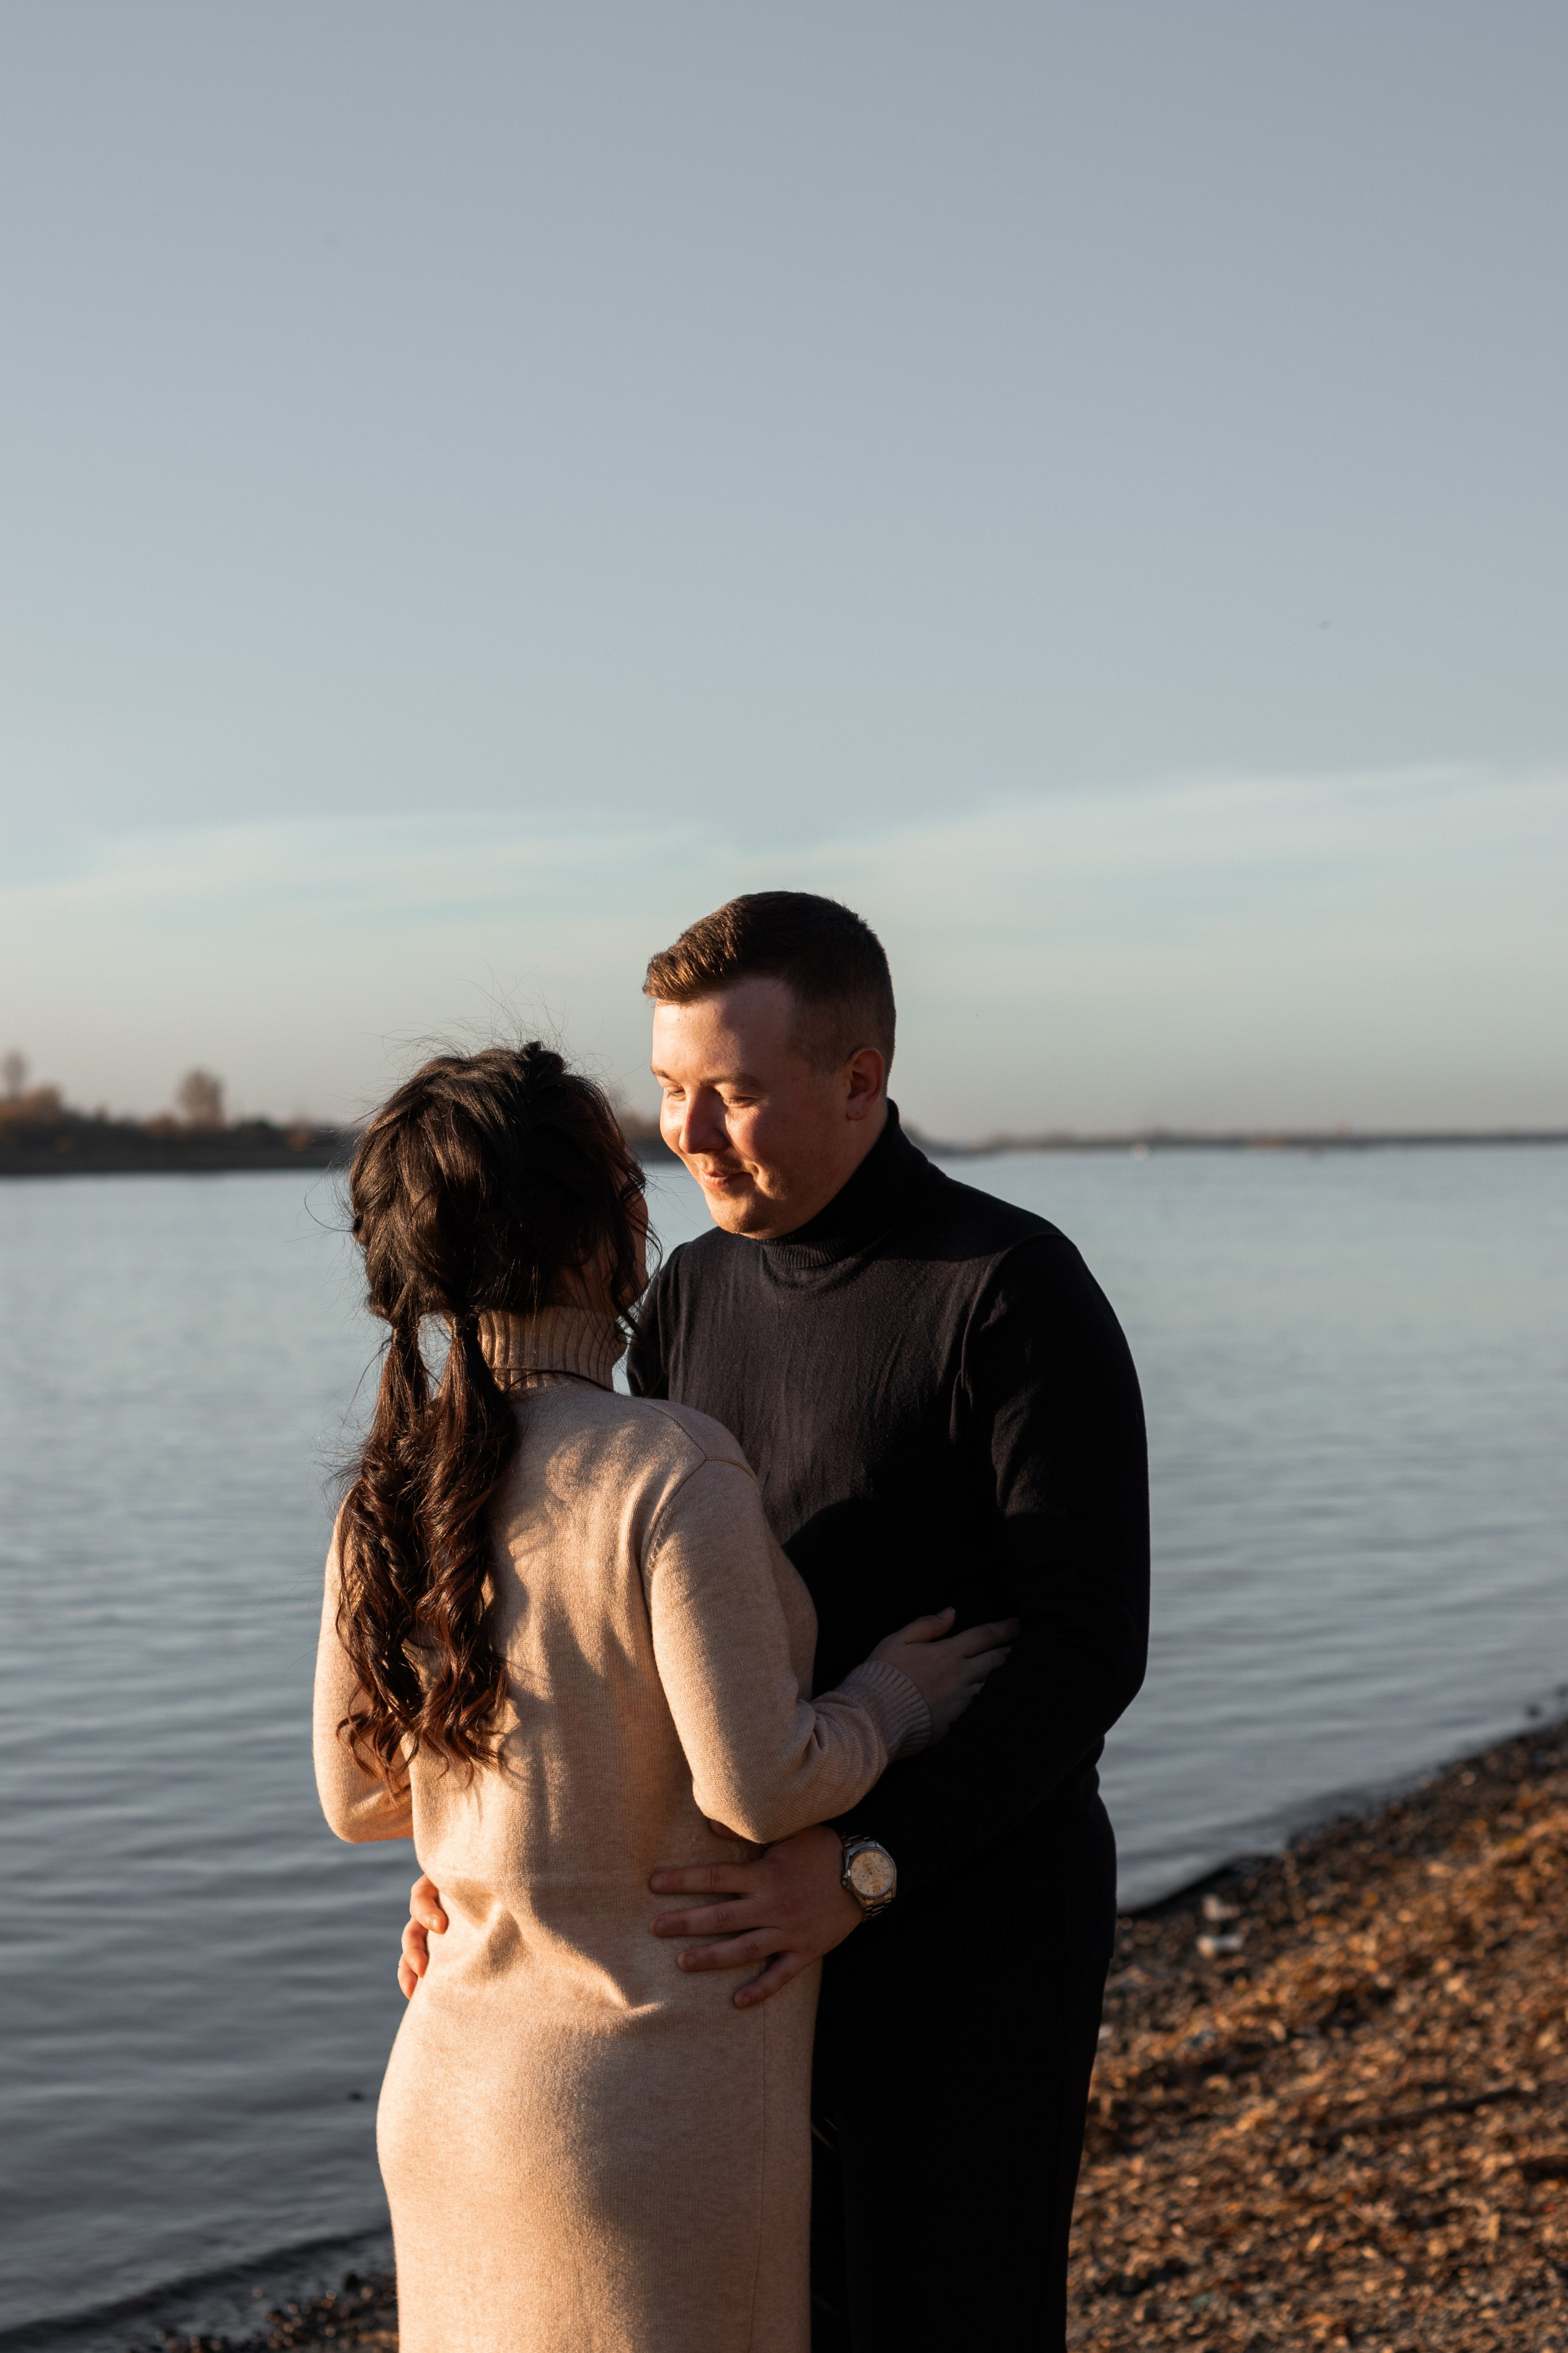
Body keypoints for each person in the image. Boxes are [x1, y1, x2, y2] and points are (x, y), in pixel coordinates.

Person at [403, 896, 1150, 2352]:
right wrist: (468, 1860)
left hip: (967, 1938)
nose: (686, 1135)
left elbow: (1085, 1652)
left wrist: (865, 1866)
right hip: (729, 1970)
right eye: (671, 1091)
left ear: (860, 1080)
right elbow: (581, 1617)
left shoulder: (1008, 1291)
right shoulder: (685, 1295)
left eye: (733, 1094)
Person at [313, 1043, 1014, 2353]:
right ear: (605, 1226)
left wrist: (484, 1855)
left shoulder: (391, 1481)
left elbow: (360, 1796)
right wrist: (887, 1698)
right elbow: (755, 1781)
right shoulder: (666, 1464)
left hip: (450, 2083)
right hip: (644, 2117)